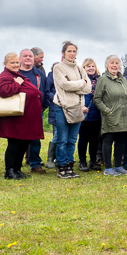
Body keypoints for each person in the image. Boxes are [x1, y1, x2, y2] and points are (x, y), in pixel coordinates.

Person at [0, 52, 44, 180]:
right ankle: (9, 171)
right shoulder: (5, 75)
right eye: (12, 63)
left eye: (17, 62)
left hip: (23, 117)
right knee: (14, 144)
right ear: (5, 64)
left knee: (23, 143)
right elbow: (2, 90)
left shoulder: (16, 75)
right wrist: (17, 83)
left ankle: (17, 169)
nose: (15, 65)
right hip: (14, 118)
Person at [51, 41, 92, 179]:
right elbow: (64, 85)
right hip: (62, 106)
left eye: (74, 51)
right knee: (62, 139)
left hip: (77, 107)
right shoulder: (58, 68)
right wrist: (81, 83)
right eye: (69, 51)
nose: (72, 54)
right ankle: (61, 166)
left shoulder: (80, 69)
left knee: (72, 139)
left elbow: (88, 88)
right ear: (63, 53)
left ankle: (69, 165)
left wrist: (78, 85)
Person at [93, 55, 127, 176]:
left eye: (117, 63)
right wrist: (107, 111)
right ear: (107, 65)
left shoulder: (123, 80)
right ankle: (108, 168)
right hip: (110, 116)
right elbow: (97, 99)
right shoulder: (103, 79)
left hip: (124, 115)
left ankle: (118, 166)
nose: (115, 65)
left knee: (120, 141)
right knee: (108, 140)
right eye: (112, 63)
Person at [18, 48, 48, 174]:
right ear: (20, 59)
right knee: (18, 138)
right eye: (25, 56)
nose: (28, 58)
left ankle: (35, 163)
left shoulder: (39, 74)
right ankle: (15, 163)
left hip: (36, 110)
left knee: (35, 138)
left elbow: (45, 91)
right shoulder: (15, 73)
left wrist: (43, 106)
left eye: (30, 56)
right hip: (19, 110)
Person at [76, 59, 102, 172]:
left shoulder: (100, 80)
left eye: (93, 66)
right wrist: (80, 106)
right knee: (83, 139)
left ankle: (93, 160)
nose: (91, 68)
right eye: (88, 66)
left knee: (94, 139)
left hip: (96, 113)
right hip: (84, 113)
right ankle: (82, 161)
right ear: (84, 68)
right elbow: (76, 95)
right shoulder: (80, 80)